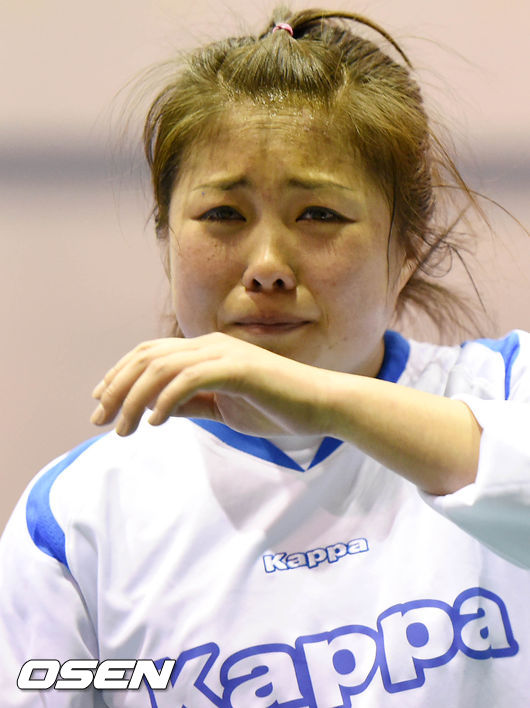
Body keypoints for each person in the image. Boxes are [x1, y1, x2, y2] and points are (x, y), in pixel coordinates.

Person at [1, 7, 529, 707]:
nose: (269, 267)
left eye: (319, 215)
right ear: (166, 240)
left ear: (406, 251)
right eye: (223, 215)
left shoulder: (508, 386)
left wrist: (319, 399)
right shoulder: (75, 519)